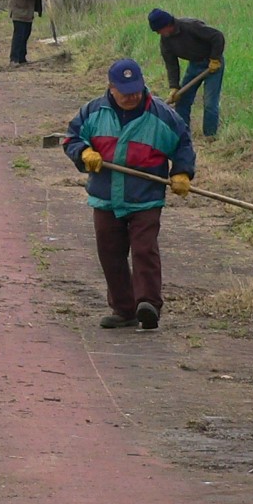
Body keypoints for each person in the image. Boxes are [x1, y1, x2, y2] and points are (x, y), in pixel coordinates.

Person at [64, 58, 195, 331]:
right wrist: (84, 152)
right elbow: (72, 138)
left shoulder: (162, 115)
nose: (131, 96)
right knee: (110, 253)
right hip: (105, 197)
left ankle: (148, 305)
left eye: (135, 90)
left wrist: (182, 172)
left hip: (145, 197)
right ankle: (123, 310)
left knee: (144, 249)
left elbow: (183, 143)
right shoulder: (93, 112)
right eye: (124, 92)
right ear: (111, 87)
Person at [148, 7, 225, 140]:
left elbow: (217, 36)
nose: (158, 33)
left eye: (159, 30)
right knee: (182, 100)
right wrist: (174, 86)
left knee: (209, 102)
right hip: (194, 65)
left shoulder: (191, 26)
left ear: (167, 24)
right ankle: (182, 134)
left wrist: (215, 58)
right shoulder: (166, 41)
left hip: (212, 65)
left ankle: (210, 137)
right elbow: (171, 65)